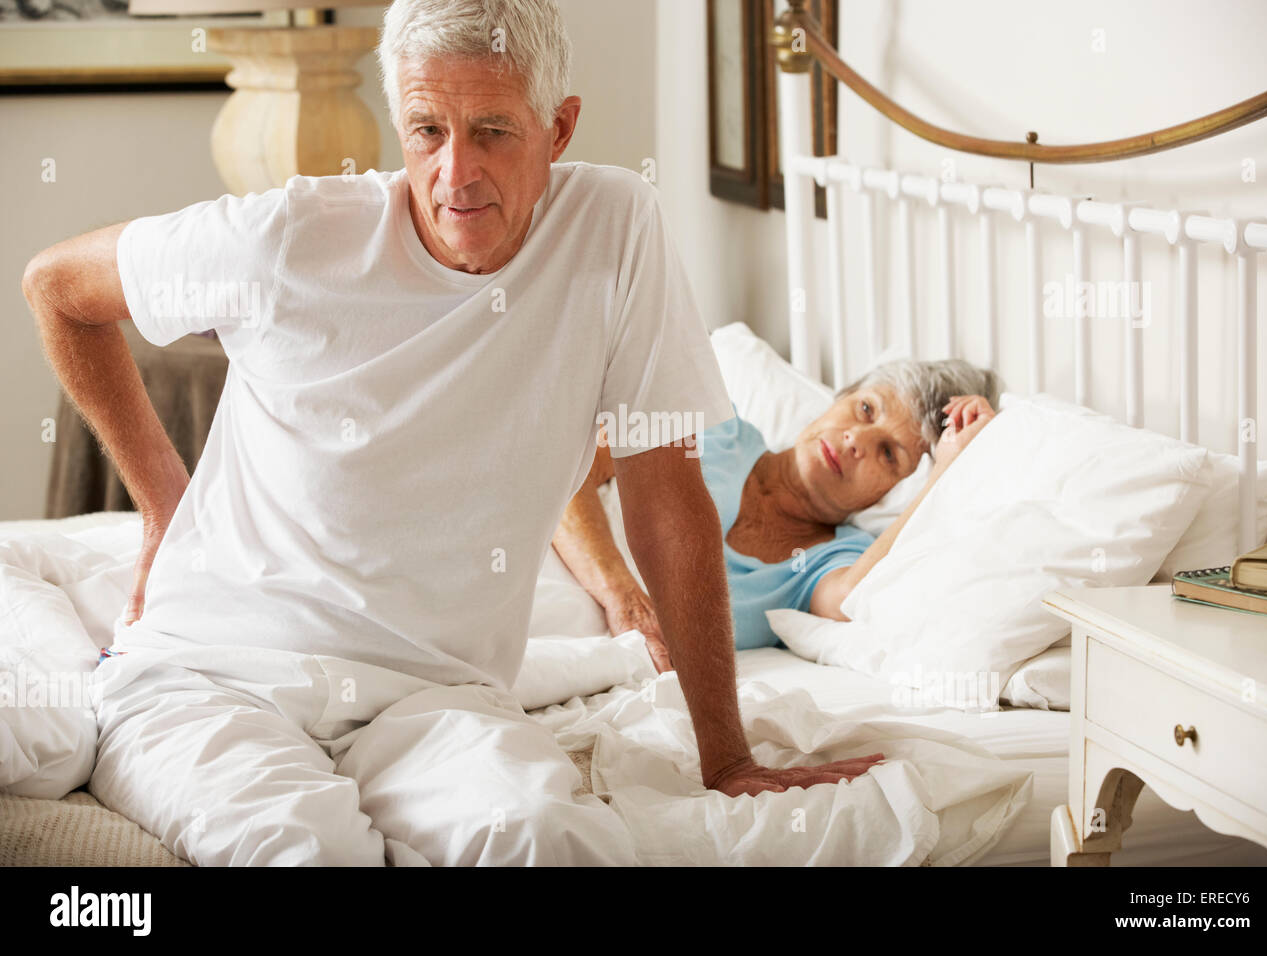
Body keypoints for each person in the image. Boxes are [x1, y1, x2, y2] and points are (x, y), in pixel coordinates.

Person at [21, 0, 886, 866]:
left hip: (432, 700)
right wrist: (164, 509)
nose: (454, 173)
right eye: (427, 130)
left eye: (494, 131)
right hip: (212, 678)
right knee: (304, 852)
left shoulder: (616, 230)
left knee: (553, 840)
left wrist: (726, 756)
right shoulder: (286, 239)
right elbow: (56, 289)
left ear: (560, 128)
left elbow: (667, 498)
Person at [553, 360, 1002, 671]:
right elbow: (561, 469)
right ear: (838, 397)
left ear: (897, 490)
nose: (855, 439)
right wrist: (624, 599)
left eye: (888, 453)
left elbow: (851, 597)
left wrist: (943, 473)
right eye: (865, 408)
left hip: (578, 665)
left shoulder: (836, 558)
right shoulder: (710, 424)